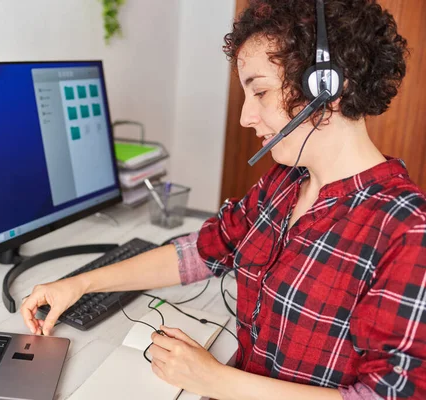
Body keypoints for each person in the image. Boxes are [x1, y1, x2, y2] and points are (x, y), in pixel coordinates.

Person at [21, 0, 426, 399]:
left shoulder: (406, 231)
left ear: (329, 88)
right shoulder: (284, 183)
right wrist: (79, 284)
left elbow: (387, 396)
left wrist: (214, 380)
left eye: (261, 92)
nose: (245, 117)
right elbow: (202, 252)